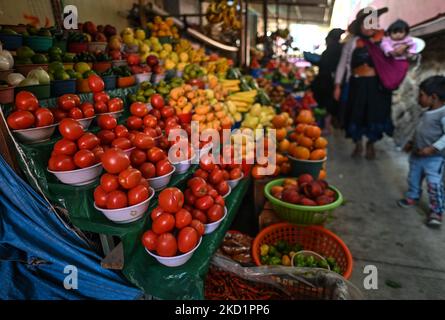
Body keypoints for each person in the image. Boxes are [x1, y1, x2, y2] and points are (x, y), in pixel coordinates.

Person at [334, 7, 394, 160]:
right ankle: (358, 143)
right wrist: (338, 85)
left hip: (376, 86)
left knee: (375, 114)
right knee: (356, 113)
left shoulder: (383, 42)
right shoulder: (352, 43)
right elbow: (342, 64)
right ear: (360, 26)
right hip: (356, 85)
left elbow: (394, 59)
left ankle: (371, 144)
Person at [398, 76, 445, 228]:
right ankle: (413, 196)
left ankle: (436, 211)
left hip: (434, 158)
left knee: (434, 184)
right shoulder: (426, 112)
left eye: (421, 95)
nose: (418, 98)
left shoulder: (442, 114)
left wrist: (432, 148)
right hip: (418, 154)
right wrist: (411, 142)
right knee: (413, 177)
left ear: (434, 97)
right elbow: (419, 130)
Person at [311, 28, 345, 133]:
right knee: (330, 102)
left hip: (328, 81)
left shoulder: (332, 49)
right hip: (333, 80)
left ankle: (326, 126)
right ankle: (327, 125)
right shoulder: (340, 48)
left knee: (327, 102)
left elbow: (324, 64)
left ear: (330, 39)